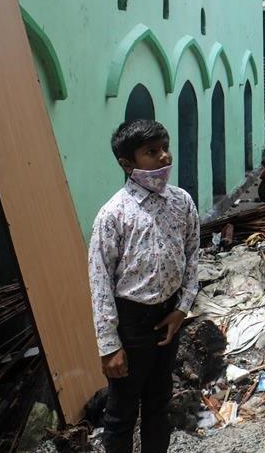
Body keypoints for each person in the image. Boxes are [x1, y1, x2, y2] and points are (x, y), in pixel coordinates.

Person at [88, 119, 199, 453]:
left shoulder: (182, 203)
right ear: (127, 163)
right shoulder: (113, 215)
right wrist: (108, 345)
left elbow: (193, 255)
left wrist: (183, 307)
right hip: (131, 323)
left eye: (165, 147)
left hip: (169, 317)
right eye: (152, 152)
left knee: (159, 403)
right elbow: (99, 280)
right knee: (121, 412)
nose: (165, 156)